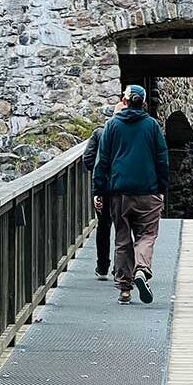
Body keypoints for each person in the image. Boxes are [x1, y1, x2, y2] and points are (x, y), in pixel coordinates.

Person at [92, 85, 169, 305]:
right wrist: (162, 188)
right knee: (146, 235)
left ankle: (124, 289)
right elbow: (162, 159)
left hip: (119, 192)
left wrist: (99, 190)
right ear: (143, 103)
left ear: (124, 101)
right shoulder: (152, 125)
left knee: (122, 238)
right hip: (148, 191)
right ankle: (141, 269)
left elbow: (102, 161)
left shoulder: (112, 125)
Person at [83, 101, 125, 280]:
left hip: (103, 187)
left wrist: (98, 181)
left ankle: (102, 266)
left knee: (103, 225)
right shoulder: (129, 134)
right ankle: (119, 267)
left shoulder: (99, 133)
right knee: (123, 227)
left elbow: (88, 159)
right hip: (123, 187)